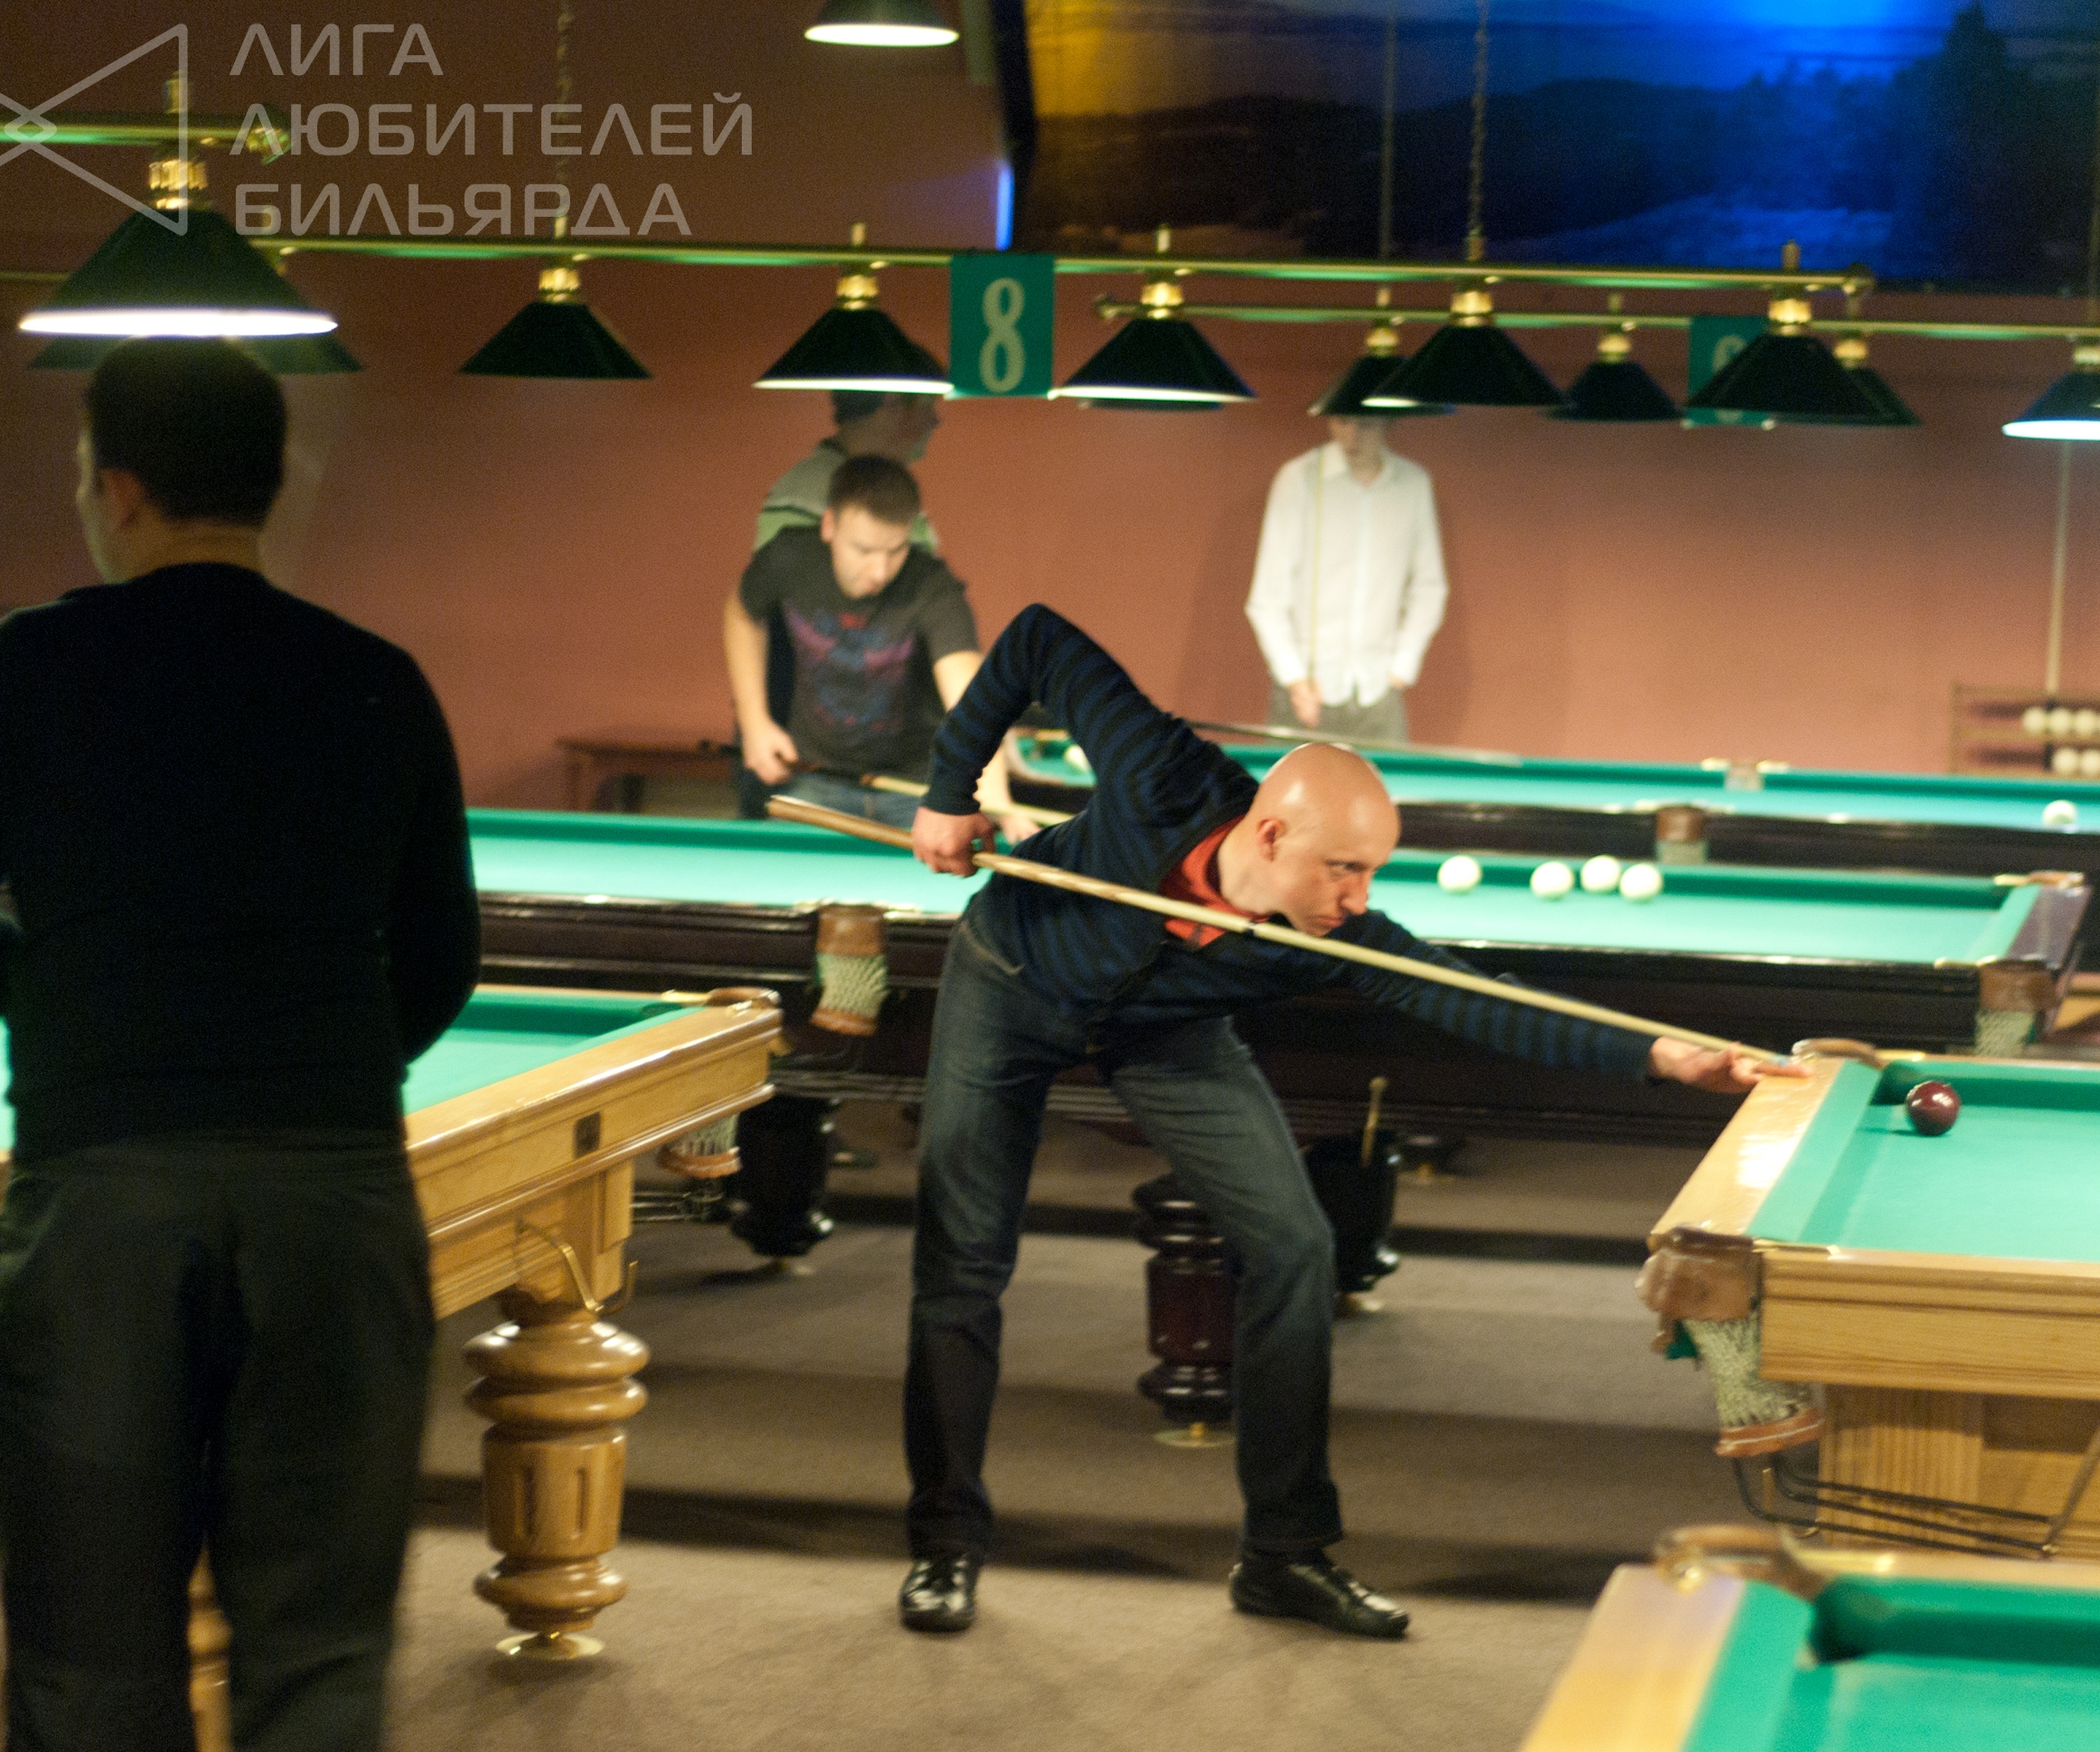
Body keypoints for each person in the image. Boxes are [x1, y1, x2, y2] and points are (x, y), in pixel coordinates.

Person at [893, 604, 1786, 1639]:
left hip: (1167, 1031)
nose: (1358, 897)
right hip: (1010, 978)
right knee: (962, 1264)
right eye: (1343, 869)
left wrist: (1663, 1056)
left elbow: (1472, 998)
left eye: (1371, 872)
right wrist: (948, 793)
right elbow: (1038, 640)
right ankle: (944, 1544)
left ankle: (1284, 1554)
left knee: (1296, 1245)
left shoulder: (1329, 928)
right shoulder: (1158, 769)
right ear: (1270, 834)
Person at [0, 339, 479, 1751]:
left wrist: (80, 1012)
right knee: (321, 1659)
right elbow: (440, 962)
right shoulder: (376, 678)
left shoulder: (25, 664)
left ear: (120, 488)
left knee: (90, 1669)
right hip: (335, 1194)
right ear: (271, 487)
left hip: (101, 1196)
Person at [727, 454, 1032, 834]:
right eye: (864, 550)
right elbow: (742, 614)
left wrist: (996, 801)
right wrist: (754, 722)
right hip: (816, 777)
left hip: (916, 789)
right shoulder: (789, 559)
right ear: (829, 526)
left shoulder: (932, 588)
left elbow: (970, 698)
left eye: (895, 550)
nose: (880, 571)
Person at [1244, 415, 1448, 742]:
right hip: (1306, 690)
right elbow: (1267, 599)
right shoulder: (1300, 478)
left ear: (1386, 423)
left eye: (1365, 424)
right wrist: (1294, 679)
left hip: (1378, 692)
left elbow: (1429, 587)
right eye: (1342, 421)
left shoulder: (1412, 483)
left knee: (1388, 779)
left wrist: (1401, 667)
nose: (1351, 436)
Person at [755, 389, 942, 554]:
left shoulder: (823, 483)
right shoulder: (820, 492)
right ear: (891, 403)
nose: (935, 421)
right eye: (928, 405)